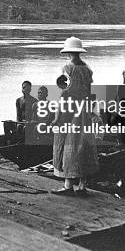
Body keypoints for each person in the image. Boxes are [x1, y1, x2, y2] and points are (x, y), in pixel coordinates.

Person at [51, 36, 99, 196]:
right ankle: (82, 185)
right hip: (83, 110)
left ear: (69, 52)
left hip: (69, 111)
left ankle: (68, 185)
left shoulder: (67, 68)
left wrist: (57, 117)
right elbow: (90, 93)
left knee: (67, 146)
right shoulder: (87, 69)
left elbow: (63, 93)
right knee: (82, 146)